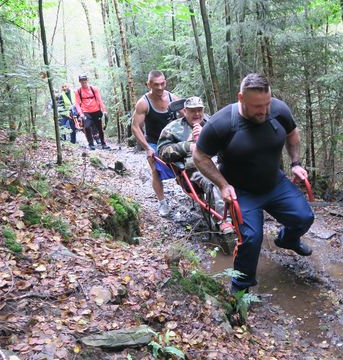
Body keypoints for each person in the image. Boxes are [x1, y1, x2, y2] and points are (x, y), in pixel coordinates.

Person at [193, 73, 314, 294]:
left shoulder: (278, 109)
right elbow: (200, 156)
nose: (264, 111)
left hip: (274, 182)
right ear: (241, 98)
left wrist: (296, 163)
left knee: (304, 217)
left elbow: (292, 133)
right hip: (241, 191)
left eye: (267, 103)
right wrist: (222, 184)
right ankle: (240, 289)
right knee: (251, 239)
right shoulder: (222, 123)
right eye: (257, 106)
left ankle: (287, 239)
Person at [157, 96, 233, 234]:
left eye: (199, 110)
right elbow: (162, 152)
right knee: (214, 182)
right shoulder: (173, 128)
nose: (197, 114)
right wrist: (188, 146)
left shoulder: (212, 123)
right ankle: (225, 220)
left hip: (221, 163)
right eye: (193, 111)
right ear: (185, 111)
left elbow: (230, 142)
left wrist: (207, 136)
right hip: (196, 169)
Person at [131, 71, 181, 217]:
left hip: (173, 140)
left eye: (162, 83)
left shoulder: (173, 98)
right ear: (149, 84)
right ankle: (162, 202)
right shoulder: (143, 103)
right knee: (155, 169)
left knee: (187, 164)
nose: (160, 87)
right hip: (154, 142)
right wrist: (147, 147)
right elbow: (135, 127)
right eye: (156, 84)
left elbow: (188, 116)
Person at [74, 74, 110, 150]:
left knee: (99, 128)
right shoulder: (78, 91)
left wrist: (104, 110)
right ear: (80, 81)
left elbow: (99, 100)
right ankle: (91, 144)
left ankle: (103, 144)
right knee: (86, 127)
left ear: (87, 80)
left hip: (96, 111)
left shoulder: (94, 89)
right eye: (82, 80)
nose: (83, 82)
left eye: (85, 80)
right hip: (86, 112)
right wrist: (80, 114)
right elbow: (77, 103)